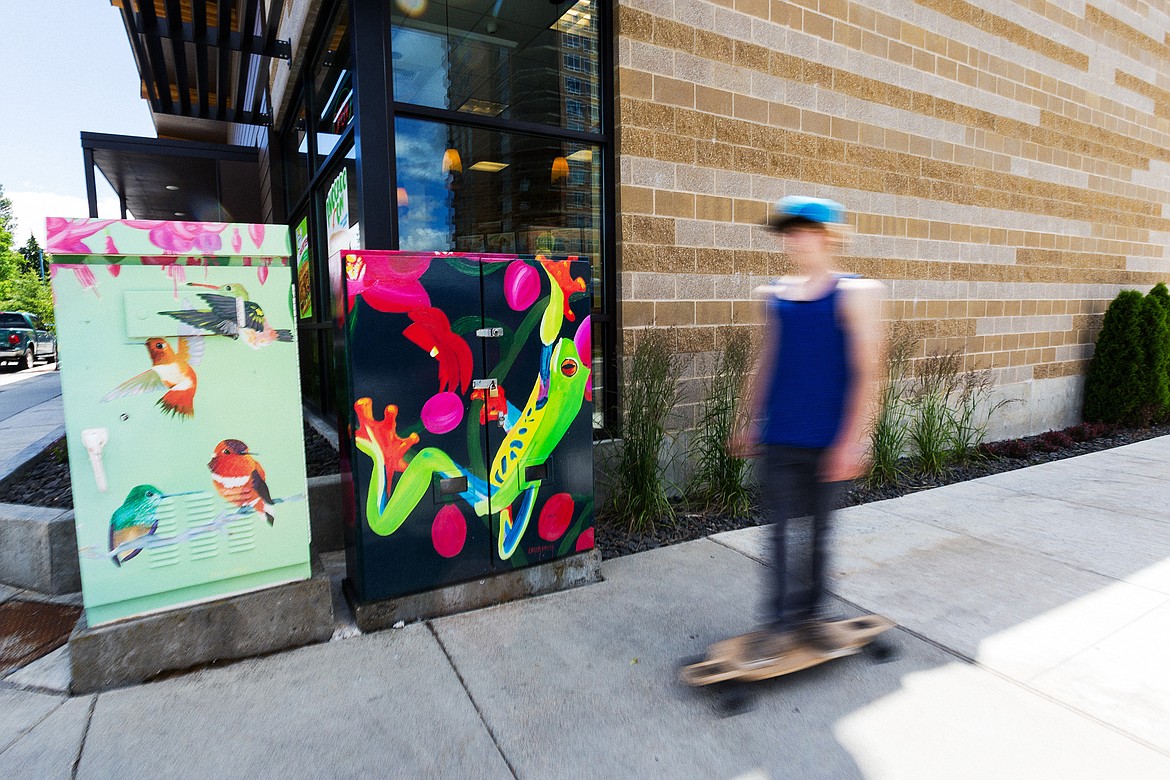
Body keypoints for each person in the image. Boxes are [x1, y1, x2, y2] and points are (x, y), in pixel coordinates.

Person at [730, 196, 885, 661]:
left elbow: (869, 371)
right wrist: (747, 419)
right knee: (777, 532)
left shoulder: (858, 293)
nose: (795, 240)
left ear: (829, 237)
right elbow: (767, 362)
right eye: (789, 232)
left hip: (828, 440)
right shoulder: (772, 294)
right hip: (780, 435)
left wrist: (855, 440)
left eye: (805, 231)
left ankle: (812, 616)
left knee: (818, 534)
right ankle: (780, 622)